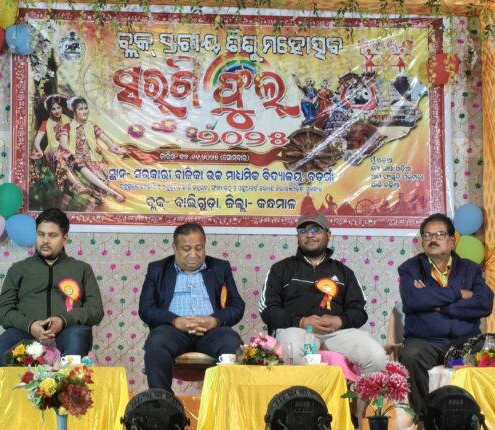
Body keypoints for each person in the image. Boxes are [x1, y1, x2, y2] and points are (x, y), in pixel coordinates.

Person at [0, 208, 104, 386]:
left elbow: (95, 310)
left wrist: (63, 320)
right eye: (41, 234)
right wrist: (30, 325)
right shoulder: (19, 269)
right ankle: (1, 403)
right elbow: (3, 310)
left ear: (65, 238)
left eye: (52, 235)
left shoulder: (81, 269)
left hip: (69, 330)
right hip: (25, 331)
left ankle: (66, 402)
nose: (45, 240)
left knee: (77, 338)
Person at [259, 213, 386, 374]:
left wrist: (340, 321)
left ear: (328, 235)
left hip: (337, 333)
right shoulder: (281, 269)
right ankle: (304, 392)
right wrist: (301, 322)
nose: (309, 235)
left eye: (316, 230)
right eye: (303, 231)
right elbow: (268, 309)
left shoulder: (344, 272)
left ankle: (357, 392)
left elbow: (359, 310)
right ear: (298, 237)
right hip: (296, 330)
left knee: (376, 356)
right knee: (293, 353)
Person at [398, 213, 493, 414]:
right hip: (425, 341)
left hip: (465, 341)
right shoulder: (410, 269)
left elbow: (484, 304)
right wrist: (458, 293)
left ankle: (477, 417)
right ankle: (426, 417)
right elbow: (413, 300)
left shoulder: (471, 269)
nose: (433, 239)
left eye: (440, 234)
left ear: (451, 241)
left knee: (491, 350)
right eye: (427, 235)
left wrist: (439, 304)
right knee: (411, 355)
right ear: (422, 241)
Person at [139, 222, 245, 392]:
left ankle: (224, 400)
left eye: (199, 248)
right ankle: (162, 400)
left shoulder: (220, 267)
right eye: (186, 249)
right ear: (175, 248)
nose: (194, 254)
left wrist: (214, 320)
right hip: (172, 331)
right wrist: (175, 321)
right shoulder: (157, 269)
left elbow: (237, 306)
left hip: (211, 331)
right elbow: (146, 309)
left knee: (232, 343)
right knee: (156, 342)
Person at [57, 96, 128, 210]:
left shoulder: (92, 125)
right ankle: (111, 191)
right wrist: (70, 151)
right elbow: (63, 142)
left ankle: (88, 214)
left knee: (97, 194)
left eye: (85, 108)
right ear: (74, 111)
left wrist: (113, 147)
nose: (85, 111)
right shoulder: (68, 126)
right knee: (73, 161)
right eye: (81, 109)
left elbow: (106, 140)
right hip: (75, 160)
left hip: (92, 160)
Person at [30, 94, 88, 208]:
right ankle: (77, 185)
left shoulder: (68, 120)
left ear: (62, 107)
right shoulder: (45, 123)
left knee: (68, 188)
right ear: (49, 110)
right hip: (52, 153)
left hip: (67, 151)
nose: (57, 111)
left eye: (58, 107)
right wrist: (40, 151)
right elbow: (37, 141)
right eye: (53, 109)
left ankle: (63, 208)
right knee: (60, 157)